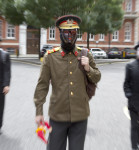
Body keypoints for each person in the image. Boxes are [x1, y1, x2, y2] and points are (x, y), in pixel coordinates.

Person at [33, 15, 101, 150]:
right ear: (60, 33)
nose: (70, 36)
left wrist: (88, 68)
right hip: (58, 116)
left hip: (80, 116)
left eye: (73, 32)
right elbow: (42, 85)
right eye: (66, 32)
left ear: (77, 34)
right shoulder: (50, 57)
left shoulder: (85, 54)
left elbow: (97, 77)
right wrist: (39, 111)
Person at [124, 40, 139, 150]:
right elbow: (126, 84)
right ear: (136, 52)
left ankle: (138, 142)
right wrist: (129, 95)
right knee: (135, 126)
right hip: (134, 102)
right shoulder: (130, 66)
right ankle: (134, 147)